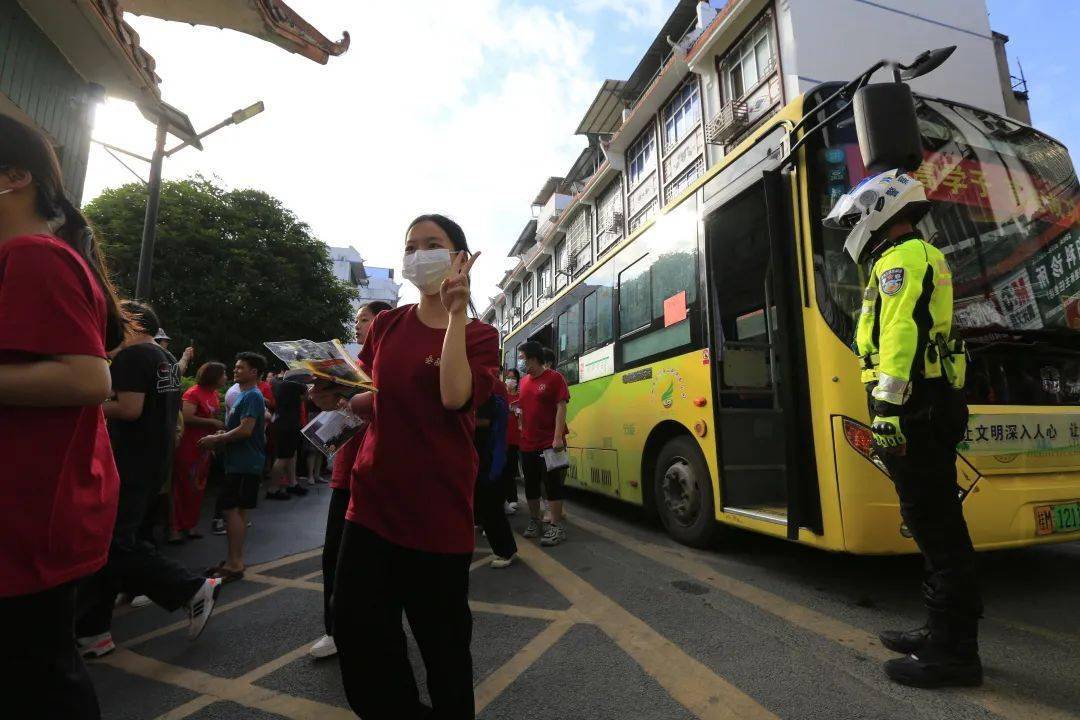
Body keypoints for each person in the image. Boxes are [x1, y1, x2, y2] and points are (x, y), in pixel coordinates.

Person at [331, 214, 498, 719]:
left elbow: (453, 396)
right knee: (357, 633)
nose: (419, 254)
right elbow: (366, 393)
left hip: (438, 515)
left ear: (459, 258)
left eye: (433, 244)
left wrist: (455, 314)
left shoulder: (480, 335)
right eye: (412, 246)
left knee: (444, 652)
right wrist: (332, 393)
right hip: (371, 505)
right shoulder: (386, 325)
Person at [825, 169, 979, 688]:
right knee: (935, 525)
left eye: (855, 217)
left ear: (878, 211)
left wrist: (887, 407)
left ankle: (955, 654)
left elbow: (899, 334)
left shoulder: (900, 259)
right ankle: (941, 632)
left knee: (937, 527)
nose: (853, 227)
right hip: (929, 401)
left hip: (916, 405)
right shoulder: (915, 255)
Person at [0, 113, 127, 719]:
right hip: (31, 517)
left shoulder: (33, 255)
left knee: (38, 689)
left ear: (15, 177)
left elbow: (86, 377)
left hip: (26, 521)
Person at [76, 302, 220, 658]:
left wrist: (81, 401)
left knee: (114, 544)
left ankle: (189, 588)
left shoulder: (131, 357)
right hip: (152, 461)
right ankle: (93, 631)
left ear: (135, 324)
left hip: (130, 461)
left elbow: (129, 408)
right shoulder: (164, 359)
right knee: (116, 543)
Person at [308, 299, 392, 659]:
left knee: (380, 562)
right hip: (345, 476)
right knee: (336, 558)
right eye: (357, 320)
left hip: (382, 476)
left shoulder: (390, 367)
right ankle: (336, 629)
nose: (358, 326)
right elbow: (333, 408)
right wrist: (324, 397)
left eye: (366, 319)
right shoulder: (351, 368)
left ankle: (378, 628)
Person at [199, 352, 268, 583]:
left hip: (245, 462)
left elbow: (246, 430)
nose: (235, 371)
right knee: (237, 511)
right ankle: (233, 560)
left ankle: (235, 563)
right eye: (235, 367)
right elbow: (239, 427)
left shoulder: (253, 396)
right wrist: (223, 434)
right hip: (241, 461)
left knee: (231, 510)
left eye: (240, 368)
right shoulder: (245, 395)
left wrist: (217, 439)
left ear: (254, 372)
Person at [517, 341, 570, 546]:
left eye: (522, 358)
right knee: (530, 485)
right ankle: (535, 520)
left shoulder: (554, 378)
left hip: (550, 443)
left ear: (533, 358)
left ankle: (556, 527)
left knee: (552, 484)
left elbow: (561, 408)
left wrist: (557, 437)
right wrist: (521, 427)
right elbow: (522, 408)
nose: (520, 363)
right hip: (528, 443)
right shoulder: (523, 382)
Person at [170, 362, 227, 542]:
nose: (226, 378)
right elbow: (186, 417)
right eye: (223, 374)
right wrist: (212, 424)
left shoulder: (214, 394)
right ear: (213, 376)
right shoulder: (193, 393)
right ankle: (174, 529)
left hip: (205, 447)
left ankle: (190, 525)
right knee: (182, 487)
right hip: (189, 446)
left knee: (198, 487)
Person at [475, 371, 518, 567]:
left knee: (490, 506)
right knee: (487, 505)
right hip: (488, 458)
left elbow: (483, 421)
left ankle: (505, 552)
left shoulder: (486, 394)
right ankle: (504, 549)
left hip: (489, 460)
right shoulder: (487, 392)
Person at [267, 374, 308, 499]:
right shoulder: (296, 387)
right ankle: (273, 489)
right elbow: (305, 395)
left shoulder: (280, 386)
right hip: (289, 425)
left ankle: (292, 483)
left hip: (282, 423)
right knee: (283, 457)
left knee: (291, 455)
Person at [501, 368, 523, 513]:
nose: (510, 380)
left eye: (513, 378)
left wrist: (518, 412)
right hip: (502, 436)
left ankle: (512, 498)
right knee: (502, 469)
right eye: (508, 377)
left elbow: (524, 415)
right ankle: (504, 499)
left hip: (516, 437)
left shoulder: (521, 396)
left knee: (511, 469)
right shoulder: (501, 394)